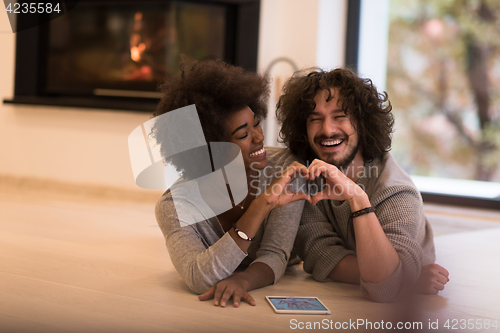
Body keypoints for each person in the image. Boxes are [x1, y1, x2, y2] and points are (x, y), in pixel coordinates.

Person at [275, 68, 450, 302]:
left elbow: (384, 289)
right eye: (315, 119)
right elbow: (321, 256)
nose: (327, 130)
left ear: (362, 122)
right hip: (338, 301)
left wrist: (357, 198)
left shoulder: (396, 190)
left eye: (340, 116)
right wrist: (403, 277)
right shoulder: (306, 179)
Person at [152, 59, 310, 308]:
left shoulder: (286, 171)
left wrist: (244, 280)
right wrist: (261, 205)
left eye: (256, 122)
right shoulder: (176, 206)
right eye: (243, 134)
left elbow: (276, 254)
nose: (260, 137)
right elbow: (198, 277)